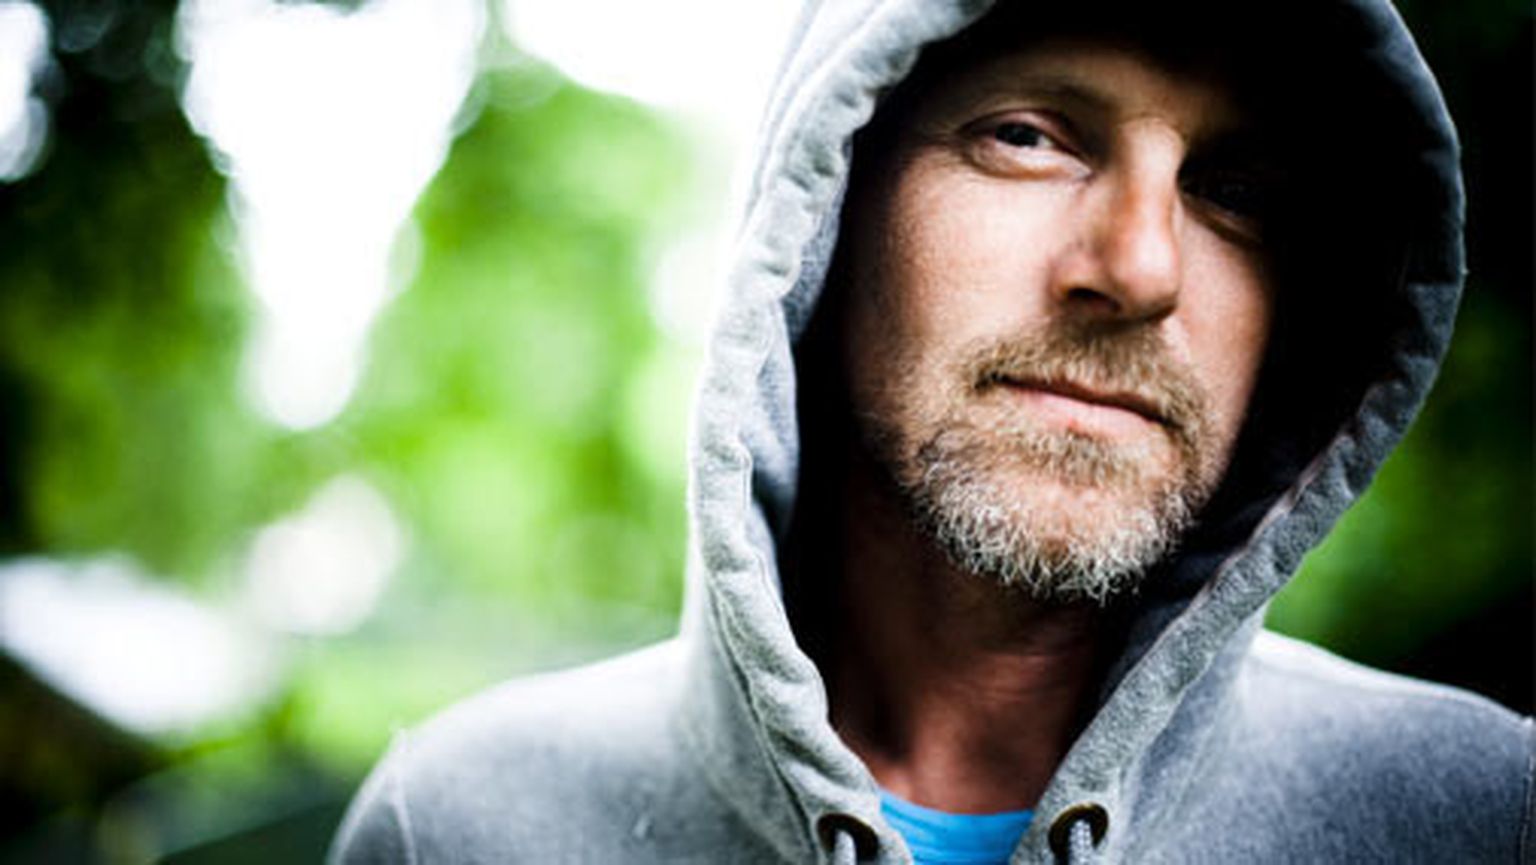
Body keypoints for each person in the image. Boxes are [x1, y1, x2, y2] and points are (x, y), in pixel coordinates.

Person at [329, 0, 1533, 862]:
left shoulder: (1479, 815)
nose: (1141, 267)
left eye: (1236, 191)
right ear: (826, 210)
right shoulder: (459, 825)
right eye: (1029, 135)